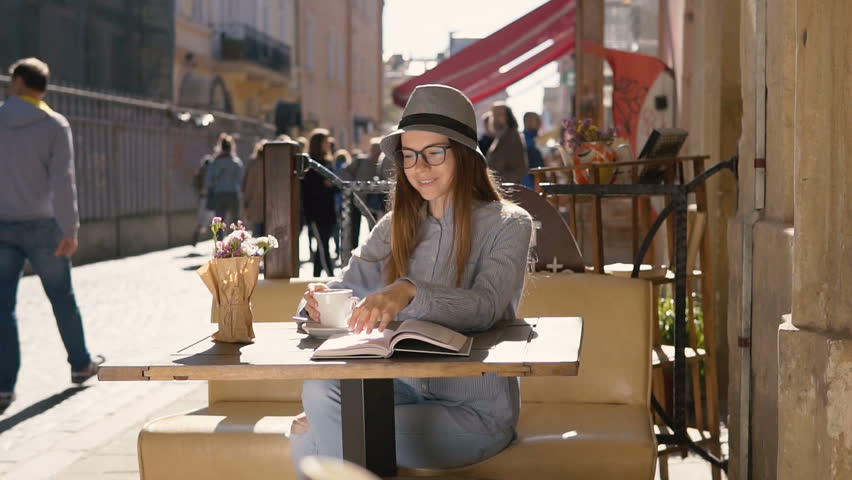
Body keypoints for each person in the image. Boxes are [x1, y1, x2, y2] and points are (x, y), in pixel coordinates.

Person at [291, 84, 534, 474]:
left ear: (466, 155)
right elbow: (346, 287)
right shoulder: (394, 226)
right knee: (319, 389)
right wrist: (316, 302)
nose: (420, 167)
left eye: (434, 153)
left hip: (471, 412)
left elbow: (486, 308)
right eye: (409, 155)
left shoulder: (509, 224)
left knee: (310, 438)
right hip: (396, 393)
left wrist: (408, 291)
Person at [0, 58, 105, 413]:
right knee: (62, 298)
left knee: (3, 308)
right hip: (45, 226)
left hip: (2, 225)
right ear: (43, 87)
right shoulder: (55, 125)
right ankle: (81, 365)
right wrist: (70, 228)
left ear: (18, 83)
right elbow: (64, 182)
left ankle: (3, 387)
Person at [301, 128, 338, 277]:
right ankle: (330, 277)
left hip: (329, 210)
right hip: (316, 212)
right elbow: (309, 190)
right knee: (323, 247)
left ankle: (317, 276)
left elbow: (335, 185)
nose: (328, 144)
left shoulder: (327, 162)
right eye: (325, 141)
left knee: (323, 245)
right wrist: (326, 185)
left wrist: (331, 185)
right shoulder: (310, 164)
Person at [205, 133, 244, 239]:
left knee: (219, 222)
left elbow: (208, 181)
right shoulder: (236, 162)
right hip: (233, 194)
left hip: (219, 194)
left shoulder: (214, 162)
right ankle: (237, 247)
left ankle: (219, 247)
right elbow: (240, 180)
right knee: (235, 221)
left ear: (220, 146)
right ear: (232, 147)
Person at [486, 102, 527, 184]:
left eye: (500, 114)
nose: (496, 118)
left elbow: (520, 167)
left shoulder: (513, 136)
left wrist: (503, 182)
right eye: (494, 114)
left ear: (508, 116)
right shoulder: (500, 136)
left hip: (508, 188)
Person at [242, 138, 271, 237]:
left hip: (256, 203)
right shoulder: (273, 165)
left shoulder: (254, 164)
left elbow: (249, 185)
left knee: (258, 233)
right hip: (270, 204)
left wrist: (246, 201)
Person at [190, 154, 214, 247]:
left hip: (203, 198)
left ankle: (196, 235)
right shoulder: (212, 172)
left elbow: (195, 185)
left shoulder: (200, 171)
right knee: (214, 219)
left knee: (202, 220)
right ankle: (217, 239)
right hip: (210, 197)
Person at [521, 112, 545, 189]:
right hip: (531, 184)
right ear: (528, 121)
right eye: (537, 120)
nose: (540, 123)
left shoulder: (536, 139)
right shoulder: (526, 141)